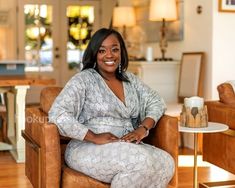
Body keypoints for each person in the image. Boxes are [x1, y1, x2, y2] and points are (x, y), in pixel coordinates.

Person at [48, 28, 175, 188]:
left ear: (121, 53)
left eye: (114, 49)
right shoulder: (83, 80)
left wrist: (143, 128)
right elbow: (57, 114)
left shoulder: (130, 80)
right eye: (102, 50)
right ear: (94, 54)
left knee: (166, 163)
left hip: (128, 145)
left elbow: (156, 101)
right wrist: (94, 136)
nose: (109, 55)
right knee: (139, 161)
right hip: (89, 147)